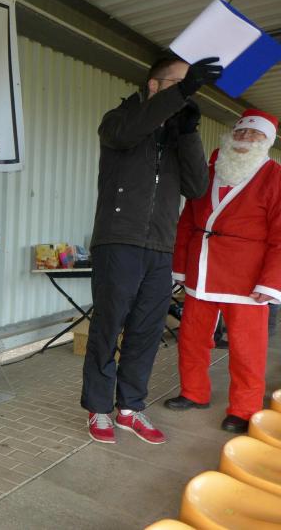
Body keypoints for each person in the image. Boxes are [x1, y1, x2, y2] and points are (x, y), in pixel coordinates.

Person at [81, 55, 221, 445]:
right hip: (118, 240)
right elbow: (128, 133)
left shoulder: (176, 133)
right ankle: (98, 408)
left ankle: (130, 408)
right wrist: (181, 95)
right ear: (155, 86)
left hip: (160, 246)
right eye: (179, 84)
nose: (187, 92)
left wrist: (188, 132)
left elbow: (196, 187)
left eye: (190, 86)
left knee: (146, 331)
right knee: (108, 327)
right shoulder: (119, 120)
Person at [165, 109, 281, 434]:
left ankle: (244, 409)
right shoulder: (211, 169)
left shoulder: (275, 177)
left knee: (246, 349)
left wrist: (271, 283)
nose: (245, 138)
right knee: (191, 339)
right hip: (201, 272)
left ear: (267, 142)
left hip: (246, 280)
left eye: (255, 134)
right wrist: (180, 266)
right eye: (241, 132)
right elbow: (187, 222)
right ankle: (193, 392)